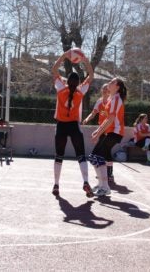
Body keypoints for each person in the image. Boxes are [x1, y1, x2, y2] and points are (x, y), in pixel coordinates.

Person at [51, 49, 94, 197]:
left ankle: (56, 185)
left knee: (59, 156)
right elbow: (91, 75)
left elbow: (54, 70)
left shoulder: (61, 88)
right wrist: (84, 59)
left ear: (67, 81)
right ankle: (86, 181)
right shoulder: (80, 92)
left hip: (61, 126)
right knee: (81, 155)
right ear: (77, 83)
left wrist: (64, 55)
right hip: (74, 126)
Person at [88, 77, 127, 196]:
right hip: (109, 132)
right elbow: (106, 119)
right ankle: (102, 185)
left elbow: (110, 119)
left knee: (97, 157)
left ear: (117, 87)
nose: (109, 83)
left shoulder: (116, 98)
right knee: (94, 157)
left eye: (112, 82)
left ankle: (105, 187)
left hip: (115, 132)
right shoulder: (111, 99)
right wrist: (98, 131)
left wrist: (98, 133)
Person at [82, 83, 115, 182]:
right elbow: (93, 113)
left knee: (105, 150)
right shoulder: (99, 101)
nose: (105, 91)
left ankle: (108, 173)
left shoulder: (112, 101)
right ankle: (106, 173)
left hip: (110, 129)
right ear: (101, 90)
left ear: (110, 91)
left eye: (107, 89)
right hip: (101, 129)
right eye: (104, 89)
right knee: (104, 151)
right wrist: (87, 119)